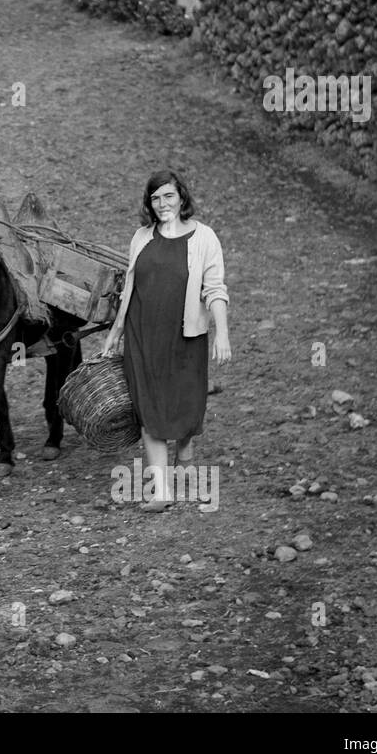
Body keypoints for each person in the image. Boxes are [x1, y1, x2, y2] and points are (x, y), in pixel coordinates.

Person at [102, 170, 230, 511]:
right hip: (142, 336)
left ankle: (185, 447)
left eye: (168, 196)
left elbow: (215, 289)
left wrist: (222, 334)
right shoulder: (141, 237)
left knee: (187, 405)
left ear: (182, 198)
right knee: (149, 409)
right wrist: (115, 334)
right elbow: (129, 289)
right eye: (155, 198)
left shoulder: (204, 238)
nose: (162, 204)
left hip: (185, 337)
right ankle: (162, 491)